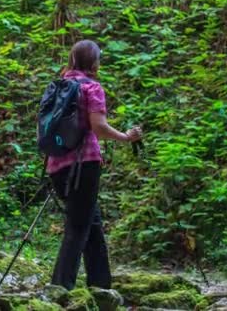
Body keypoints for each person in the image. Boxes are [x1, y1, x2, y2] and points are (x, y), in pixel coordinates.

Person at [48, 40, 142, 290]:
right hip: (84, 164)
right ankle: (59, 288)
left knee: (91, 222)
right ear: (94, 62)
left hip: (56, 164)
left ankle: (101, 286)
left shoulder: (59, 86)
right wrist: (126, 137)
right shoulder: (91, 87)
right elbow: (98, 127)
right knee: (78, 226)